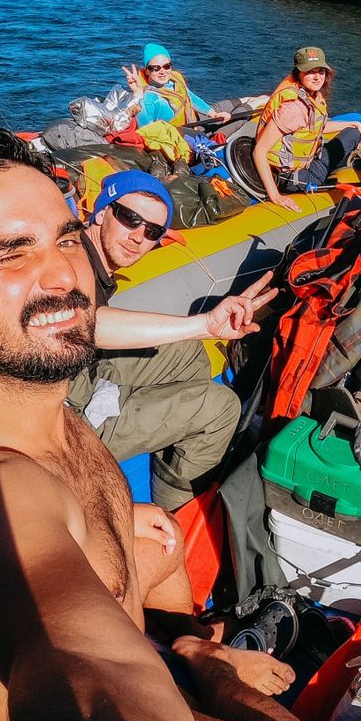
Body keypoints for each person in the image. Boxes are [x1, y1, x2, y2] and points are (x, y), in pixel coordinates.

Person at [0, 129, 302, 721]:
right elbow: (87, 670)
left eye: (67, 239)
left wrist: (112, 513)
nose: (61, 276)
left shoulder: (35, 405)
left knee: (162, 535)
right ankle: (203, 663)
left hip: (152, 638)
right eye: (9, 252)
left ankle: (193, 646)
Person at [65, 170, 240, 510]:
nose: (138, 237)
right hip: (62, 420)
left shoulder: (82, 254)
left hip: (80, 372)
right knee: (221, 407)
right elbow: (85, 325)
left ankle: (175, 435)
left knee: (187, 354)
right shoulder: (70, 263)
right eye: (130, 219)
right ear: (102, 212)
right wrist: (204, 324)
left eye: (152, 231)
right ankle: (179, 512)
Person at [252, 46, 361, 212]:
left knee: (354, 129)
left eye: (321, 71)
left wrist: (353, 124)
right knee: (353, 136)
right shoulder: (293, 108)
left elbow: (315, 128)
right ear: (299, 73)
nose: (317, 77)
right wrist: (276, 196)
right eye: (310, 72)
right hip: (296, 177)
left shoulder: (310, 95)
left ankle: (356, 144)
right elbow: (259, 151)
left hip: (302, 165)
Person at [124, 43, 232, 127]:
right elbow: (145, 128)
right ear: (147, 71)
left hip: (193, 119)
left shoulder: (175, 80)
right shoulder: (149, 98)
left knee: (242, 103)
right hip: (182, 135)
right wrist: (138, 95)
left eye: (166, 66)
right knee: (240, 114)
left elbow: (192, 99)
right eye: (155, 68)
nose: (162, 71)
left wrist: (213, 114)